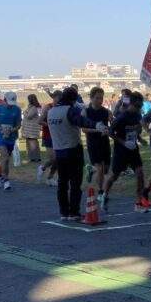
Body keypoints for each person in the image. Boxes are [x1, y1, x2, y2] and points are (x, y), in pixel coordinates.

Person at [45, 86, 89, 220]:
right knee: (75, 182)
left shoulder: (51, 111)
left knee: (62, 183)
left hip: (59, 151)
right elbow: (81, 122)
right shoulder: (70, 110)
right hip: (73, 149)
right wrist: (96, 124)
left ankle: (64, 212)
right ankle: (74, 212)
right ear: (73, 99)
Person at [102, 91, 148, 212]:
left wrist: (140, 139)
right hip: (121, 150)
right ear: (131, 104)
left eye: (140, 106)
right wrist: (123, 142)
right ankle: (104, 194)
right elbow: (110, 132)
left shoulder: (138, 115)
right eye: (137, 106)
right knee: (114, 175)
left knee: (140, 174)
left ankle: (138, 203)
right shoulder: (122, 117)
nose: (139, 108)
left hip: (133, 149)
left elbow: (135, 130)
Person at [0, 90, 22, 190]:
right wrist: (0, 128)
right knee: (5, 156)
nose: (10, 105)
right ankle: (6, 180)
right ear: (4, 100)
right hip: (0, 136)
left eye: (12, 103)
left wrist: (13, 129)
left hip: (11, 137)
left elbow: (18, 124)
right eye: (9, 103)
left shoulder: (17, 109)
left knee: (6, 160)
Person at [83, 87, 111, 199]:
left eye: (101, 98)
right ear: (91, 98)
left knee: (106, 169)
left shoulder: (106, 111)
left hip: (104, 142)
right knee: (100, 168)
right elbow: (84, 129)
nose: (100, 100)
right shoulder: (86, 112)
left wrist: (109, 129)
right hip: (93, 142)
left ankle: (91, 169)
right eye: (97, 98)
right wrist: (98, 130)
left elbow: (112, 125)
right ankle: (100, 192)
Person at [22, 94, 43, 167]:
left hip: (32, 129)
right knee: (30, 143)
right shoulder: (32, 107)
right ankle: (32, 157)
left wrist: (24, 112)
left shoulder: (34, 107)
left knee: (33, 144)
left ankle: (35, 158)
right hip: (29, 128)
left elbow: (29, 116)